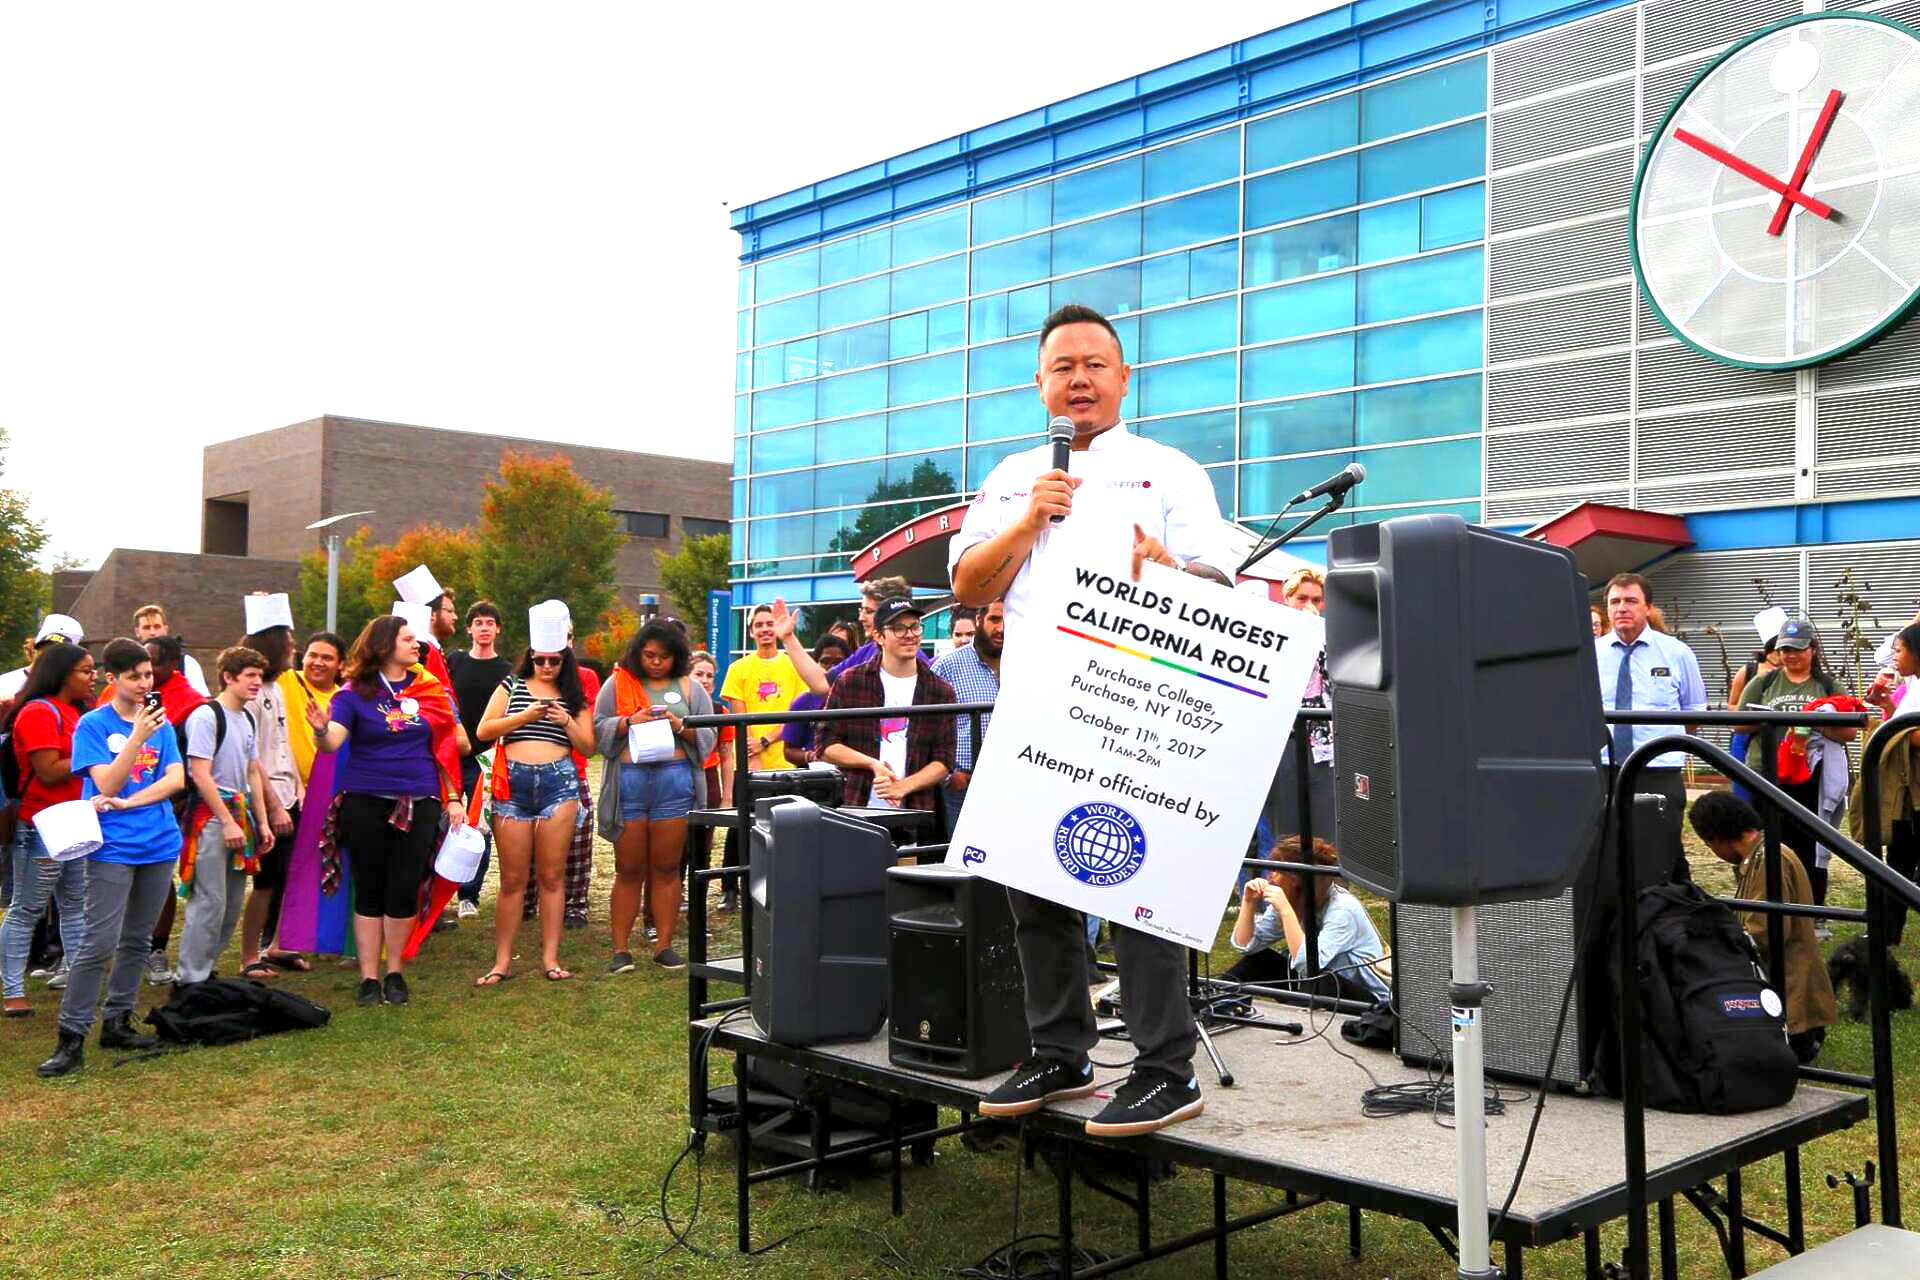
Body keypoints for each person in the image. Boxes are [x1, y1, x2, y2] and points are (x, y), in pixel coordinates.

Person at [953, 303, 1234, 1137]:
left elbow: (1219, 586)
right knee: (1031, 882)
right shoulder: (1009, 475)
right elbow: (970, 587)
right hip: (1034, 702)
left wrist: (1172, 571)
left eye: (1094, 365)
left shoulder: (1168, 468)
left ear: (1122, 377)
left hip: (1131, 706)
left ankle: (1164, 1067)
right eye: (1062, 366)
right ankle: (1060, 1049)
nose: (1078, 378)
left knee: (1133, 883)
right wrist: (1028, 517)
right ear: (1039, 382)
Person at [37, 638, 187, 1077]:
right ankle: (71, 1035)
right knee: (98, 942)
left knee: (139, 939)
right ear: (112, 679)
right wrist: (137, 736)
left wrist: (132, 802)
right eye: (134, 677)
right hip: (113, 847)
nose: (144, 684)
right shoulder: (93, 726)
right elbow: (106, 783)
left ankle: (118, 1021)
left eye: (148, 676)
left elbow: (175, 779)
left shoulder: (161, 723)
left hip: (159, 842)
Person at [305, 614, 465, 1007]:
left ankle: (394, 971)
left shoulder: (430, 689)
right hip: (365, 802)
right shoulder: (352, 694)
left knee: (404, 887)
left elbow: (445, 747)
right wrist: (322, 729)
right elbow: (332, 744)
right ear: (384, 645)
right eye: (409, 639)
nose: (417, 645)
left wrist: (455, 798)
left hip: (420, 802)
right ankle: (368, 978)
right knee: (370, 888)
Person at [473, 617, 596, 984]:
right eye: (539, 659)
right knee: (512, 879)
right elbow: (483, 730)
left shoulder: (573, 695)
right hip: (513, 784)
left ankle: (550, 959)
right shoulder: (511, 685)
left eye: (553, 660)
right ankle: (501, 962)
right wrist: (523, 716)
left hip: (559, 783)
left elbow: (589, 746)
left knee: (551, 875)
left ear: (564, 661)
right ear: (529, 656)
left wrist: (566, 721)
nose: (545, 666)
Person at [597, 619, 716, 973]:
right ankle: (620, 949)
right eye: (649, 655)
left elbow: (709, 735)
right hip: (630, 780)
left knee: (666, 867)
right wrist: (629, 722)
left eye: (664, 656)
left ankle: (664, 945)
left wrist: (681, 726)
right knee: (628, 868)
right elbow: (599, 728)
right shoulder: (617, 684)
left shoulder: (692, 688)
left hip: (675, 781)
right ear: (638, 654)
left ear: (676, 656)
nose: (656, 662)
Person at [1687, 790, 1836, 1063]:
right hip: (1789, 998)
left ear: (1716, 837)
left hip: (1792, 1005)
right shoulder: (1762, 855)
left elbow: (1764, 933)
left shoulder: (1769, 861)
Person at [1734, 617, 1859, 920]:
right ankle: (1771, 907)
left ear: (1813, 650)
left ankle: (1813, 912)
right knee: (1770, 842)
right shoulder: (1763, 682)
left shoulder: (1827, 685)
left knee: (1811, 844)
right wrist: (1771, 719)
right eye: (1786, 649)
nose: (1791, 655)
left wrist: (1814, 721)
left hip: (1811, 777)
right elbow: (1738, 723)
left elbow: (1849, 733)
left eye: (1798, 649)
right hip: (1767, 774)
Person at [1, 643, 94, 1017]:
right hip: (42, 824)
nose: (93, 677)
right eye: (85, 671)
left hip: (74, 820)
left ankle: (75, 978)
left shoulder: (74, 712)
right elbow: (49, 770)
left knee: (73, 905)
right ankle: (12, 990)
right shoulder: (39, 712)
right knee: (27, 907)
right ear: (62, 673)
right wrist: (95, 758)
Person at [175, 647, 277, 986]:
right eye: (249, 676)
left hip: (240, 815)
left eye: (259, 677)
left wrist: (261, 822)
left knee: (232, 903)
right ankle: (191, 978)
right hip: (212, 818)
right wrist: (228, 821)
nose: (256, 683)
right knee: (209, 902)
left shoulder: (247, 718)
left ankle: (207, 968)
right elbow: (200, 775)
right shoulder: (206, 716)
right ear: (228, 677)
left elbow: (251, 773)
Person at [1596, 573, 1707, 882]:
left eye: (1631, 601)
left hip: (1657, 771)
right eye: (1614, 602)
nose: (1621, 608)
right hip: (1604, 771)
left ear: (1648, 608)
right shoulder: (1592, 654)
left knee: (1659, 859)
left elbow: (1694, 713)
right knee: (1604, 861)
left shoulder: (1677, 653)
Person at [818, 597, 956, 811]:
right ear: (879, 636)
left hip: (915, 811)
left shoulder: (940, 690)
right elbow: (825, 745)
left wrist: (903, 787)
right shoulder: (850, 682)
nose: (910, 635)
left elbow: (945, 761)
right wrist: (872, 764)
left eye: (915, 627)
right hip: (857, 805)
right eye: (899, 628)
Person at [1226, 836, 1391, 1007]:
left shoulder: (1343, 909)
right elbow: (1246, 946)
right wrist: (1249, 902)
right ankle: (1216, 1006)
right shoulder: (1294, 899)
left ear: (1295, 879)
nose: (1270, 878)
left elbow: (1308, 966)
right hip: (1319, 984)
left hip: (1371, 1003)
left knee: (1321, 979)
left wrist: (1285, 911)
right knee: (1258, 960)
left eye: (1276, 871)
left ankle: (1300, 1023)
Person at [237, 622, 305, 978]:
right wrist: (274, 805)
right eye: (289, 641)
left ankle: (279, 943)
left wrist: (297, 788)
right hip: (265, 797)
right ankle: (249, 955)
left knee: (289, 876)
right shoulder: (252, 693)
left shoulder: (277, 688)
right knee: (265, 881)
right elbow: (253, 756)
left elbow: (282, 742)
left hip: (288, 791)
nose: (294, 647)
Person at [1257, 568, 1334, 871]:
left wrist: (1318, 637)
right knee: (1286, 831)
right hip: (1284, 740)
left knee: (1326, 831)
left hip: (1323, 743)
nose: (1308, 604)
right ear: (1287, 598)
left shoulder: (1332, 636)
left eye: (1316, 598)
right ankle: (1285, 899)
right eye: (1301, 597)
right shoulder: (1272, 633)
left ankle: (1327, 896)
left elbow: (1337, 679)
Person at [446, 601, 511, 919]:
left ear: (498, 629)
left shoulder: (507, 671)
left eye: (490, 622)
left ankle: (468, 895)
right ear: (469, 628)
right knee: (446, 824)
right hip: (454, 755)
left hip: (489, 759)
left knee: (479, 827)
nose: (484, 628)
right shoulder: (454, 662)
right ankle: (437, 892)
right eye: (478, 622)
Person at [931, 598, 1003, 834]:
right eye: (994, 619)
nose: (1001, 628)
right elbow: (925, 728)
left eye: (1008, 620)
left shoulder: (1026, 664)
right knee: (963, 865)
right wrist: (949, 776)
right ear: (979, 620)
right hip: (964, 787)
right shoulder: (947, 666)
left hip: (1013, 783)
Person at [778, 634, 852, 767]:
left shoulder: (859, 698)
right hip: (814, 779)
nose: (832, 667)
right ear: (815, 662)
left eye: (839, 662)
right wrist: (814, 756)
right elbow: (788, 750)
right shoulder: (803, 703)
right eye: (825, 661)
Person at [0, 614, 85, 701]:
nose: (49, 655)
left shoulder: (69, 690)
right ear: (34, 647)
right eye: (46, 647)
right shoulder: (6, 683)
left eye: (59, 652)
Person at [132, 603, 208, 695]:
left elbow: (202, 699)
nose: (152, 632)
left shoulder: (186, 662)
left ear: (165, 629)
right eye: (146, 627)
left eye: (157, 626)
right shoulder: (128, 662)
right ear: (137, 632)